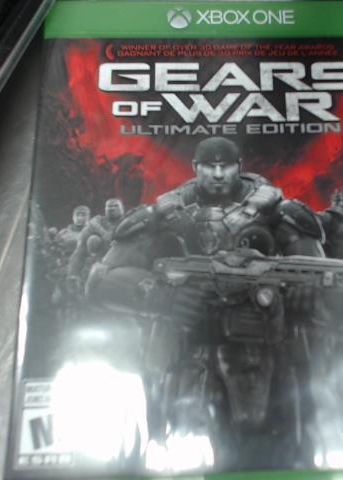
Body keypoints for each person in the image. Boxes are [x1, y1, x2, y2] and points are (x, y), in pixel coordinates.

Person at [86, 137, 325, 470]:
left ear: (239, 167)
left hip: (258, 349)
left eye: (225, 166)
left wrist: (307, 287)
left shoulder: (276, 212)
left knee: (265, 451)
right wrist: (163, 296)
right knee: (177, 449)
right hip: (185, 348)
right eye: (210, 167)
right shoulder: (166, 214)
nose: (218, 174)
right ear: (195, 168)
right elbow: (100, 280)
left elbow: (320, 273)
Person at [66, 198, 124, 288]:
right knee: (92, 240)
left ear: (122, 208)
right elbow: (79, 251)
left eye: (115, 206)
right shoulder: (99, 221)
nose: (112, 208)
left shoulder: (127, 221)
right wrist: (72, 274)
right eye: (109, 206)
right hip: (97, 259)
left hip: (121, 258)